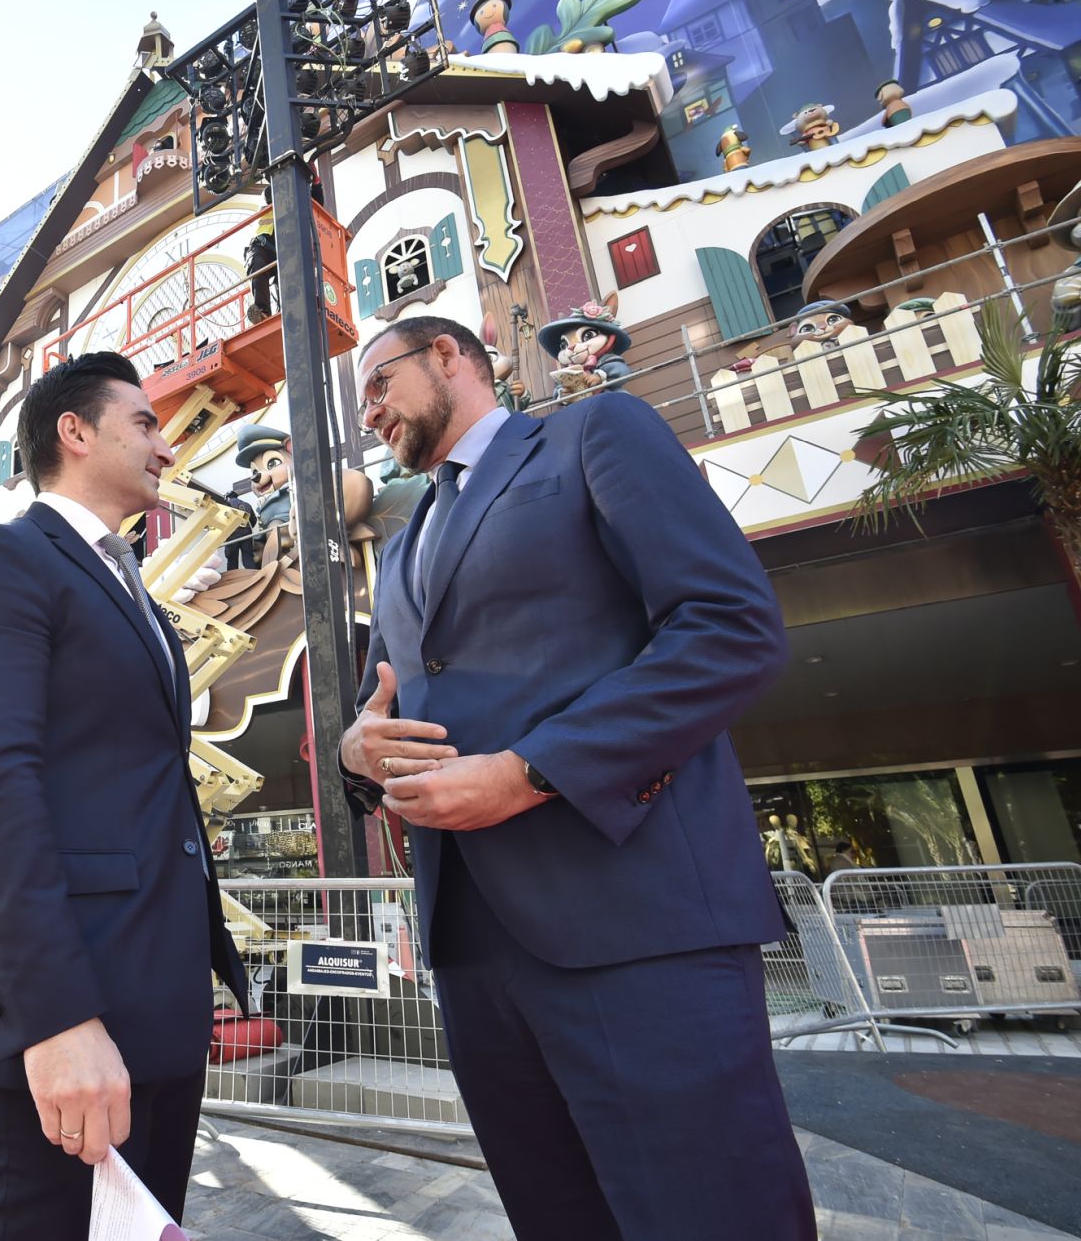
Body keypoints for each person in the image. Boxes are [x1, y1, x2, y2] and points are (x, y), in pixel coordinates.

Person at [338, 316, 814, 1240]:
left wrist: (530, 772)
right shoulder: (398, 547)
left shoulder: (596, 433)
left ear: (449, 357)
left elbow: (730, 629)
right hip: (473, 951)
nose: (369, 414)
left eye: (378, 382)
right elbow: (381, 710)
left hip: (638, 923)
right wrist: (362, 753)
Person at [0, 351, 249, 1239]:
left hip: (154, 1012)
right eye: (144, 424)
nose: (166, 450)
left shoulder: (129, 585)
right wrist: (56, 1020)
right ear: (74, 431)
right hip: (63, 1021)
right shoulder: (0, 557)